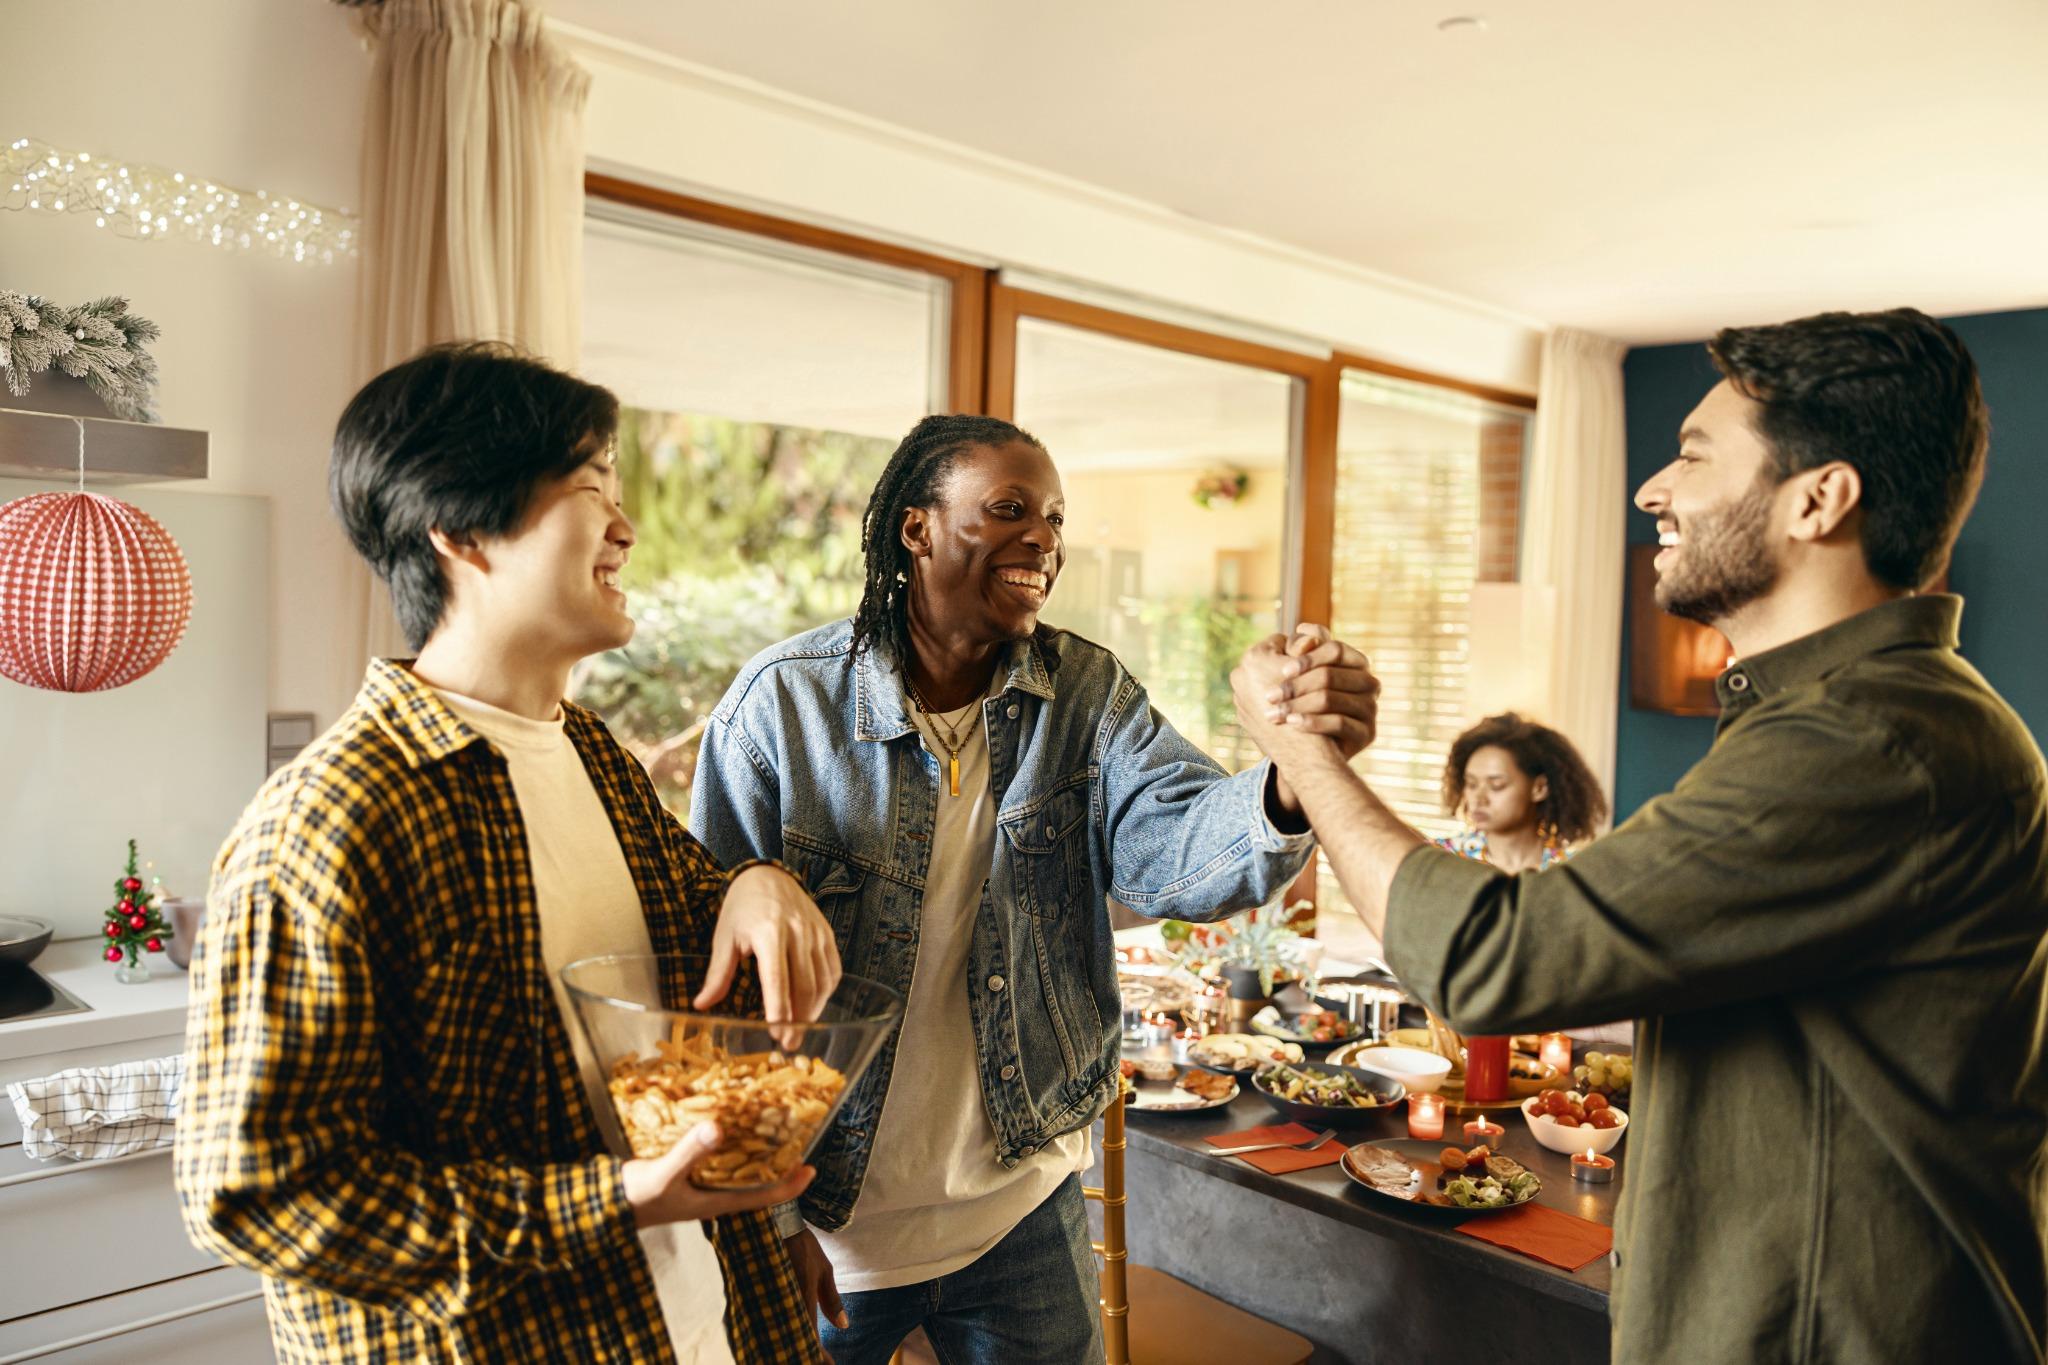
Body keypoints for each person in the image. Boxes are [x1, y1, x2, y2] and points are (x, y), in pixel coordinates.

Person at [1232, 308, 2046, 1362]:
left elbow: (1491, 959)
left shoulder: (1870, 738)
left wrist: (1300, 752)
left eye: (1694, 454)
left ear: (1816, 499)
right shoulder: (1836, 720)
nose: (1651, 487)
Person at [175, 344, 841, 1365]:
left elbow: (668, 933)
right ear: (460, 528)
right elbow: (260, 1193)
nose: (625, 527)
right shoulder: (331, 820)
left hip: (695, 1320)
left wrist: (754, 881)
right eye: (589, 488)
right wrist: (607, 1201)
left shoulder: (596, 758)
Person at [688, 413, 1376, 1363]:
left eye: (1054, 517)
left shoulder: (1089, 695)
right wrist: (765, 1224)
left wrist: (1292, 776)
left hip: (1019, 1207)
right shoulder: (781, 707)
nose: (1044, 539)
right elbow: (711, 994)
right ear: (916, 528)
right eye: (1008, 509)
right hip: (830, 1214)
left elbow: (1173, 848)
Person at [1434, 712, 1607, 873]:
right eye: (1471, 784)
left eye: (1496, 785)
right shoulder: (1442, 859)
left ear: (1539, 788)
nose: (1478, 799)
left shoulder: (1571, 872)